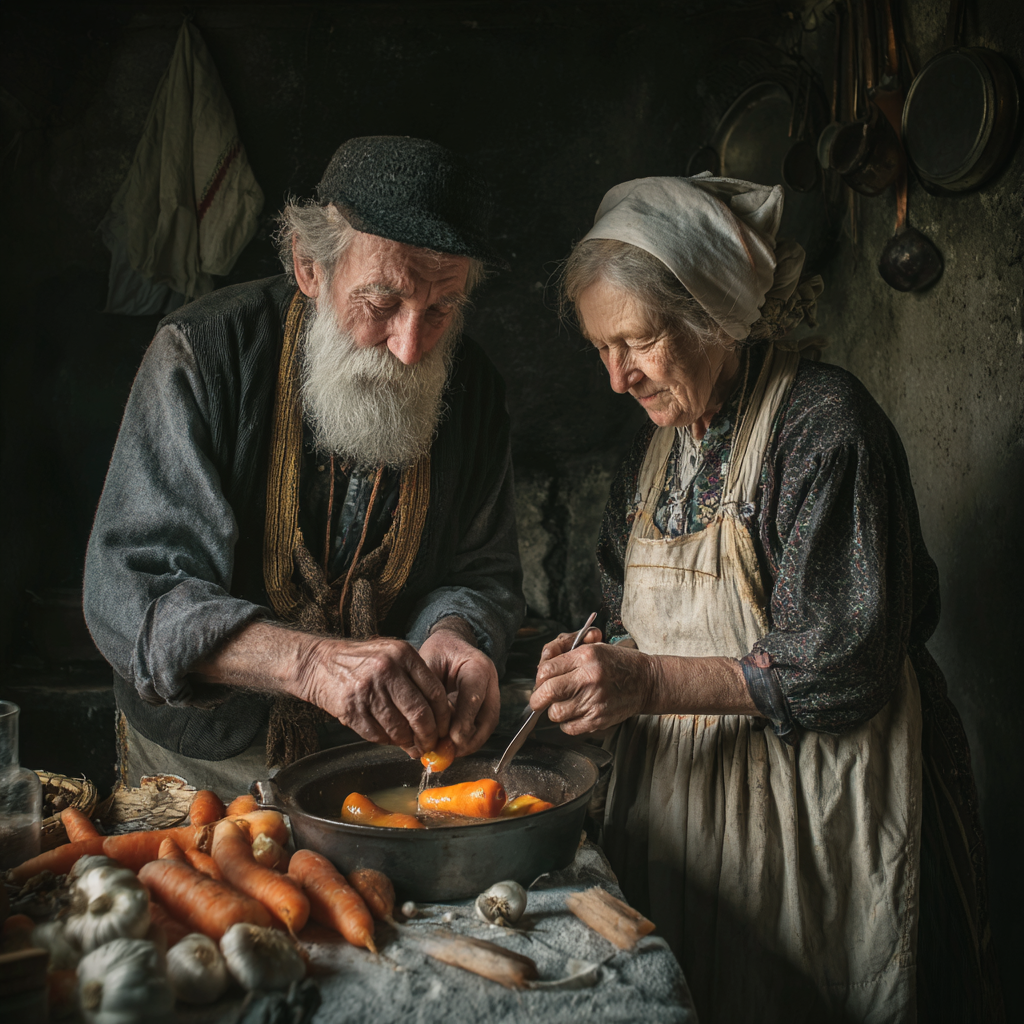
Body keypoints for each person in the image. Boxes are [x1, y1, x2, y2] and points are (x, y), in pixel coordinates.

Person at [532, 175, 1002, 1023]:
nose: (616, 380)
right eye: (601, 349)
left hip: (822, 813)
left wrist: (643, 685)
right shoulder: (656, 457)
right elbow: (628, 617)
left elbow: (843, 666)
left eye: (634, 343)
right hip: (687, 815)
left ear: (711, 317)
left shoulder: (824, 429)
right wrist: (594, 662)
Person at [84, 136, 525, 795]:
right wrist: (310, 663)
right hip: (202, 771)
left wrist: (456, 635)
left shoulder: (477, 389)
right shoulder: (202, 356)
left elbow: (483, 575)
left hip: (374, 769)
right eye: (381, 305)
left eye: (440, 310)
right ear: (310, 267)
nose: (409, 348)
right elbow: (133, 597)